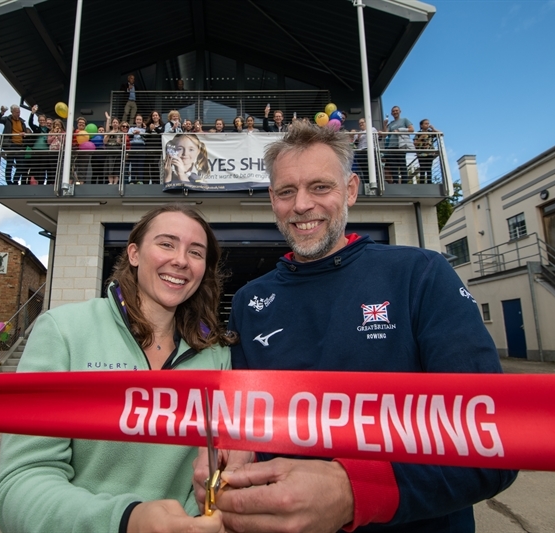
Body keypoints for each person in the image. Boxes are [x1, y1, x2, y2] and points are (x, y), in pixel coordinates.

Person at [192, 123, 517, 532]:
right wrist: (233, 452)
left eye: (320, 187)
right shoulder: (249, 301)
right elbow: (248, 420)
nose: (302, 205)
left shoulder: (420, 274)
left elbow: (496, 441)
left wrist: (353, 491)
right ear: (272, 199)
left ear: (350, 191)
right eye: (286, 191)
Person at [0, 205, 233, 533]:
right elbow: (18, 487)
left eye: (195, 251)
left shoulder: (217, 354)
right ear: (134, 253)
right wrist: (126, 521)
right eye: (166, 243)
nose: (181, 259)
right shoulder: (64, 331)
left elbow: (217, 470)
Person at [0, 104, 29, 185]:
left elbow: (25, 132)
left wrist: (24, 134)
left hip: (20, 145)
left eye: (19, 112)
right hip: (11, 145)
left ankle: (15, 180)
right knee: (10, 163)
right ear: (12, 112)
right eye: (16, 112)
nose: (18, 114)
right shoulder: (7, 119)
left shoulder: (22, 122)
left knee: (21, 165)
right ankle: (9, 182)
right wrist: (2, 113)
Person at [382, 106, 414, 184]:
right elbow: (385, 134)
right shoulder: (391, 123)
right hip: (391, 146)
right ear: (391, 113)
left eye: (396, 110)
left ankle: (404, 182)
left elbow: (412, 129)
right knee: (393, 166)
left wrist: (400, 130)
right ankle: (395, 181)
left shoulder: (404, 120)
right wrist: (385, 125)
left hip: (400, 145)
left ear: (400, 111)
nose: (395, 112)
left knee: (402, 164)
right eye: (393, 111)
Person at [414, 119, 441, 184]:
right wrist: (421, 137)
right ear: (421, 125)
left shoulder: (430, 132)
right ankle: (422, 182)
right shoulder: (418, 133)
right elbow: (415, 143)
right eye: (425, 123)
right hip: (421, 154)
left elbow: (440, 134)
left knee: (429, 168)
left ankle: (429, 182)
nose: (427, 125)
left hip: (430, 153)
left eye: (428, 123)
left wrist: (433, 129)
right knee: (422, 168)